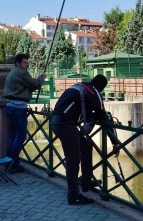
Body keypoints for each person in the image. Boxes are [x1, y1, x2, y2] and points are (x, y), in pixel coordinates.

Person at [50, 74, 120, 205]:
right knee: (73, 160)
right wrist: (115, 142)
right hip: (65, 125)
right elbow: (103, 117)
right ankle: (73, 195)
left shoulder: (81, 87)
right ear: (102, 88)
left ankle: (86, 180)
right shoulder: (95, 93)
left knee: (86, 145)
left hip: (57, 121)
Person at [4, 53, 46, 173]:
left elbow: (26, 87)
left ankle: (8, 162)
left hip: (10, 106)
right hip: (18, 107)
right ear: (18, 63)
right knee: (20, 136)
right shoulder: (21, 73)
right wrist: (42, 77)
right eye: (24, 62)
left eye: (27, 62)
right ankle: (13, 164)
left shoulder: (13, 72)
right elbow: (36, 84)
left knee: (12, 135)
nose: (27, 64)